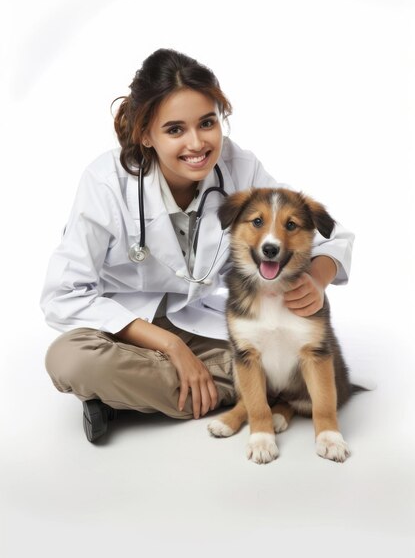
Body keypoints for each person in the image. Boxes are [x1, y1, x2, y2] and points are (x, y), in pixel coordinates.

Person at [40, 48, 354, 443]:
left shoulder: (239, 168)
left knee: (268, 358)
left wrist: (318, 279)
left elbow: (331, 234)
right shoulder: (106, 183)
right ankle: (212, 389)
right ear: (144, 134)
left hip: (201, 323)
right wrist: (170, 346)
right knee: (69, 359)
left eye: (207, 123)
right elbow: (63, 296)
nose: (197, 143)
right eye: (175, 130)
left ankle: (125, 396)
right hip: (119, 325)